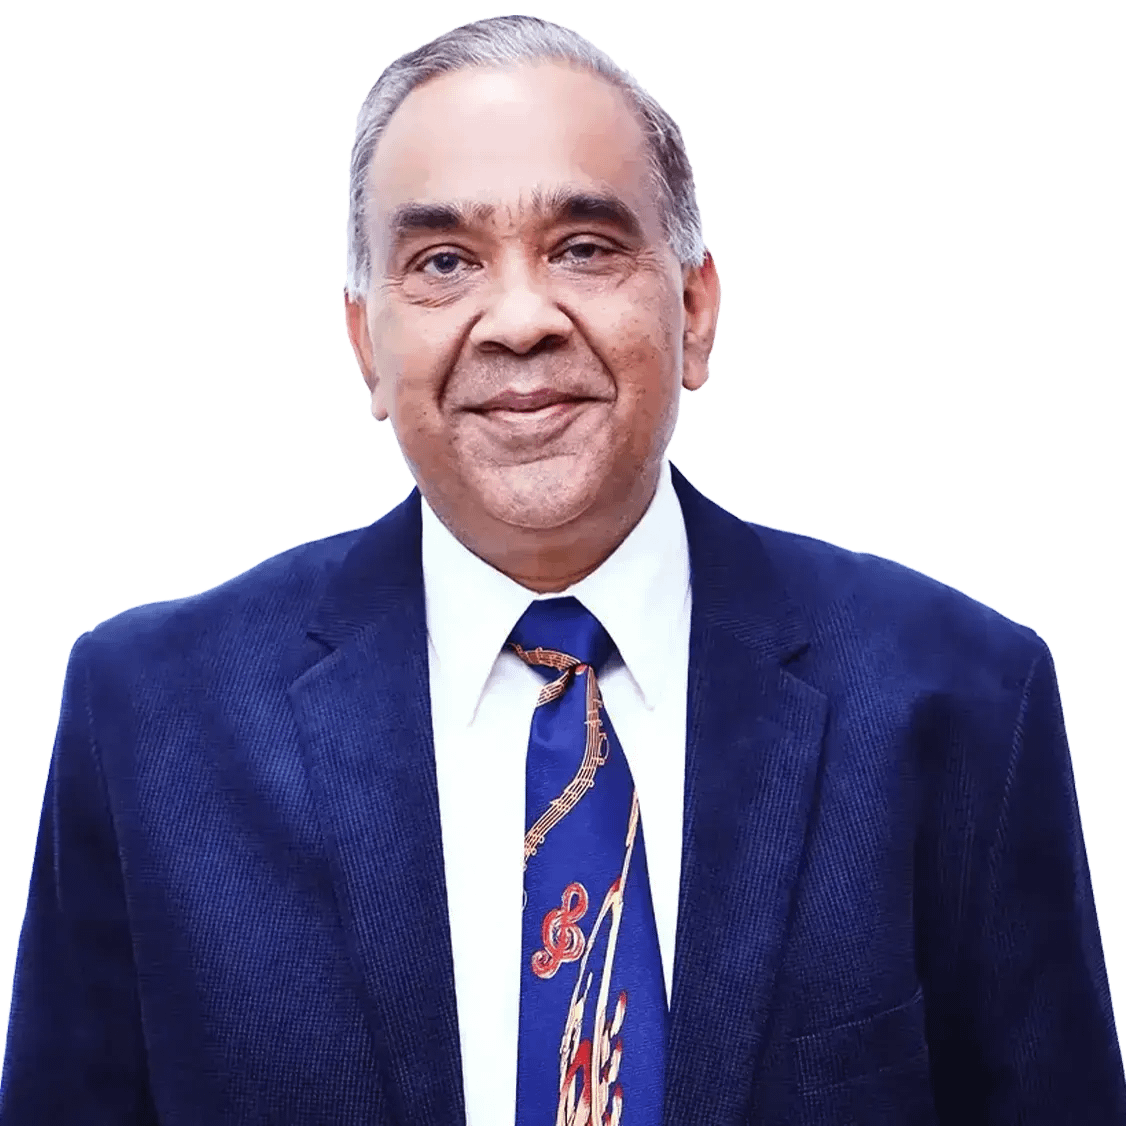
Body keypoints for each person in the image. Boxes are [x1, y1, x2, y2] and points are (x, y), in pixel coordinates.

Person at [2, 14, 1122, 1126]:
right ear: (366, 345)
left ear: (695, 309)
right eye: (444, 262)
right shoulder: (149, 714)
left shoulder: (960, 695)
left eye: (583, 247)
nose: (520, 320)